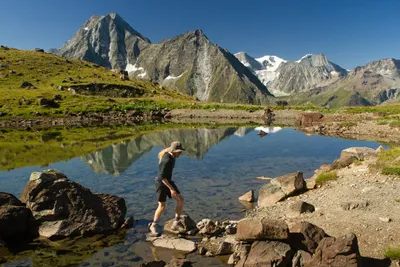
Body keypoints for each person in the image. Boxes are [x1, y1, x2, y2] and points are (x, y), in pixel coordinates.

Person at [149, 141, 185, 236]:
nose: (180, 153)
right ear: (173, 151)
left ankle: (176, 223)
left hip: (168, 181)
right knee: (162, 205)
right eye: (179, 152)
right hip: (162, 183)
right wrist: (171, 189)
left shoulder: (172, 157)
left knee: (180, 199)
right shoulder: (167, 160)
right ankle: (153, 225)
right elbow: (162, 177)